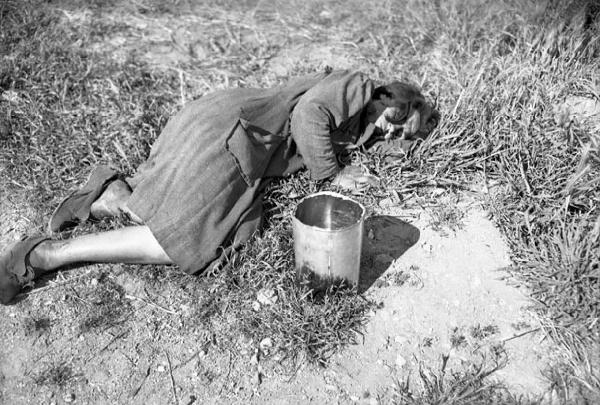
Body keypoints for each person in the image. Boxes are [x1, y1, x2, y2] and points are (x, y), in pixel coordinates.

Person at [0, 69, 437, 304]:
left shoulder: (363, 123)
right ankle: (45, 254)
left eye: (402, 135)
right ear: (387, 98)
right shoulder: (357, 85)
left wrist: (390, 145)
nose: (392, 133)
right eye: (396, 122)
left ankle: (112, 196)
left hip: (235, 133)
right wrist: (333, 176)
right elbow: (308, 117)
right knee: (191, 240)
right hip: (233, 134)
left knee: (232, 227)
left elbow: (351, 136)